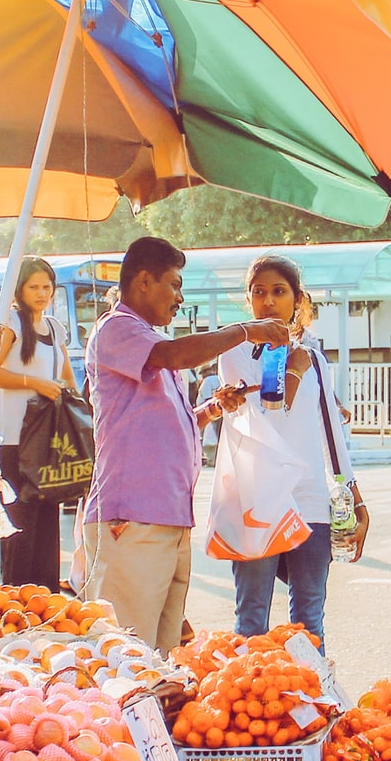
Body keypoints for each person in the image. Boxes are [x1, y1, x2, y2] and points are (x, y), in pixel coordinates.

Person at [80, 237, 290, 652]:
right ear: (143, 281)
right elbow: (177, 355)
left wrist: (212, 409)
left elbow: (166, 424)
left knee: (159, 657)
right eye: (174, 285)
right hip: (132, 519)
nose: (179, 297)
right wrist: (245, 330)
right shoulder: (118, 328)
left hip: (166, 518)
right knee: (126, 654)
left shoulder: (148, 340)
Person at [215, 254, 369, 644]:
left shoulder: (313, 356)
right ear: (247, 300)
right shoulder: (234, 352)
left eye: (279, 292)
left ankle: (312, 701)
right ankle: (249, 699)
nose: (268, 301)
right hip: (257, 500)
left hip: (310, 499)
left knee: (308, 621)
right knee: (251, 621)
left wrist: (354, 495)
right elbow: (268, 416)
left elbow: (330, 431)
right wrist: (293, 370)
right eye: (259, 292)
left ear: (296, 300)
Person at [0, 257, 80, 592]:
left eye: (46, 286)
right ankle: (14, 594)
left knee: (47, 518)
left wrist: (80, 408)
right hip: (12, 439)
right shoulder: (8, 324)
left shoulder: (55, 327)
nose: (42, 293)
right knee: (19, 520)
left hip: (49, 438)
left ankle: (44, 595)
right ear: (19, 291)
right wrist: (35, 383)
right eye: (34, 287)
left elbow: (67, 374)